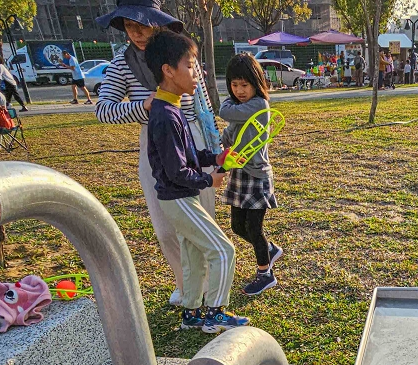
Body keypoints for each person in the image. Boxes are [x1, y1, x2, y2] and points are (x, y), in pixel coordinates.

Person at [95, 0, 221, 309]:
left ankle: (207, 287)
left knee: (201, 220)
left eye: (142, 24)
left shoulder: (181, 53)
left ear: (157, 21)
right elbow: (103, 110)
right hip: (155, 140)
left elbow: (203, 105)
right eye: (129, 26)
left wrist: (214, 149)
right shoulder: (122, 64)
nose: (136, 33)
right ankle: (186, 284)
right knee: (166, 227)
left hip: (192, 135)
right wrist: (144, 106)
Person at [145, 30, 249, 333]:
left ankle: (191, 313)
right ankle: (215, 312)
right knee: (222, 250)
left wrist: (215, 158)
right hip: (178, 197)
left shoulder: (172, 107)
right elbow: (177, 171)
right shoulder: (165, 115)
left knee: (192, 254)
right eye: (190, 65)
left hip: (179, 196)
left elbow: (187, 155)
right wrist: (209, 180)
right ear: (168, 70)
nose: (197, 72)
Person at [219, 54, 283, 296]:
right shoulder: (240, 109)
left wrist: (227, 104)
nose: (239, 90)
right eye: (234, 85)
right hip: (239, 174)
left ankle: (265, 274)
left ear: (256, 83)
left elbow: (225, 112)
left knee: (254, 229)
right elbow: (230, 133)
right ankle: (270, 249)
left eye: (244, 85)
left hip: (257, 176)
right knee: (237, 226)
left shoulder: (258, 105)